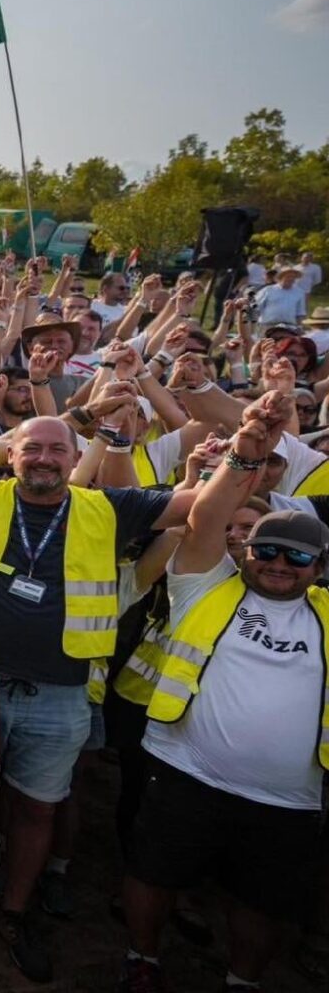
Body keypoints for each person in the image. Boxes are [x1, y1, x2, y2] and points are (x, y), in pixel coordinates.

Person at [0, 409, 190, 982]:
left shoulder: (107, 507)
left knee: (38, 807)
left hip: (62, 694)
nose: (43, 459)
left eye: (58, 450)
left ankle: (14, 910)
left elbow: (194, 507)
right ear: (11, 455)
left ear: (73, 458)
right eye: (31, 448)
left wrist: (240, 456)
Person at [118, 401, 329, 993]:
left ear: (319, 566)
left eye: (298, 556)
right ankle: (142, 959)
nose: (280, 563)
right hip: (183, 769)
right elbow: (208, 518)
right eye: (267, 550)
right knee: (151, 872)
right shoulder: (204, 584)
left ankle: (243, 980)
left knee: (259, 903)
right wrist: (246, 454)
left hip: (286, 798)